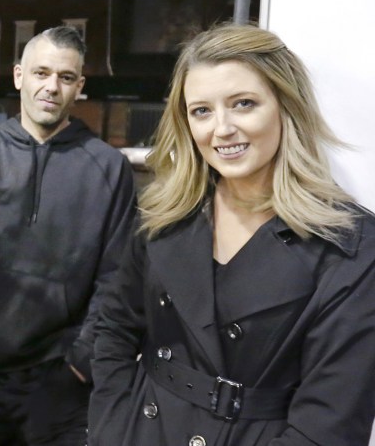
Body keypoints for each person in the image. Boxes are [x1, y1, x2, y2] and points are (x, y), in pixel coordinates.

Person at [89, 23, 375, 445]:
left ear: (285, 106)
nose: (221, 129)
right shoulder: (165, 211)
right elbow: (113, 328)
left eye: (243, 104)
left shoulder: (350, 244)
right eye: (201, 111)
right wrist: (112, 428)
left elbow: (330, 424)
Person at [0, 26, 138, 445]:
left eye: (66, 77)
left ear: (79, 87)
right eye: (41, 73)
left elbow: (118, 276)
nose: (52, 87)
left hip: (59, 380)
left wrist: (80, 363)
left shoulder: (108, 168)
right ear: (18, 76)